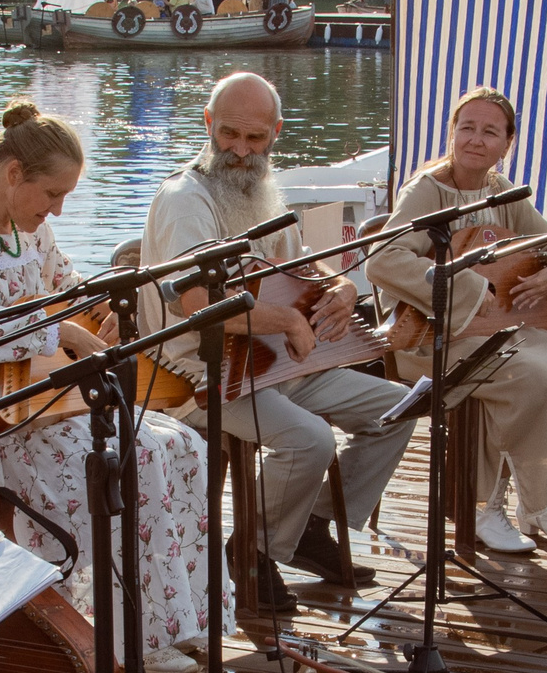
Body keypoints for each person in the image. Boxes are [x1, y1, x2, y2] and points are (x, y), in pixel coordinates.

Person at [0, 102, 220, 673]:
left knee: (183, 444)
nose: (58, 209)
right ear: (13, 174)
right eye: (52, 194)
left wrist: (100, 307)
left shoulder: (31, 230)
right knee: (131, 455)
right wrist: (65, 332)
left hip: (52, 400)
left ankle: (178, 616)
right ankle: (130, 635)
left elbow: (66, 285)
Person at [140, 72, 418, 614]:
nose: (241, 151)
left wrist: (342, 287)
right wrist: (289, 321)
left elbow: (304, 266)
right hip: (200, 370)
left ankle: (308, 526)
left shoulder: (264, 189)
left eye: (255, 138)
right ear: (208, 123)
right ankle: (252, 550)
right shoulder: (184, 199)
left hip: (274, 363)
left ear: (276, 132)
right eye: (229, 134)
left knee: (398, 409)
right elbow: (194, 300)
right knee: (310, 439)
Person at [371, 87, 547, 552]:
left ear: (507, 143)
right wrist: (471, 290)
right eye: (467, 128)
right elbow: (383, 260)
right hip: (431, 336)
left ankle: (541, 501)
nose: (476, 139)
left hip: (498, 328)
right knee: (525, 377)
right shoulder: (427, 190)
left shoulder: (503, 192)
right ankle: (483, 507)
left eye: (490, 132)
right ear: (452, 133)